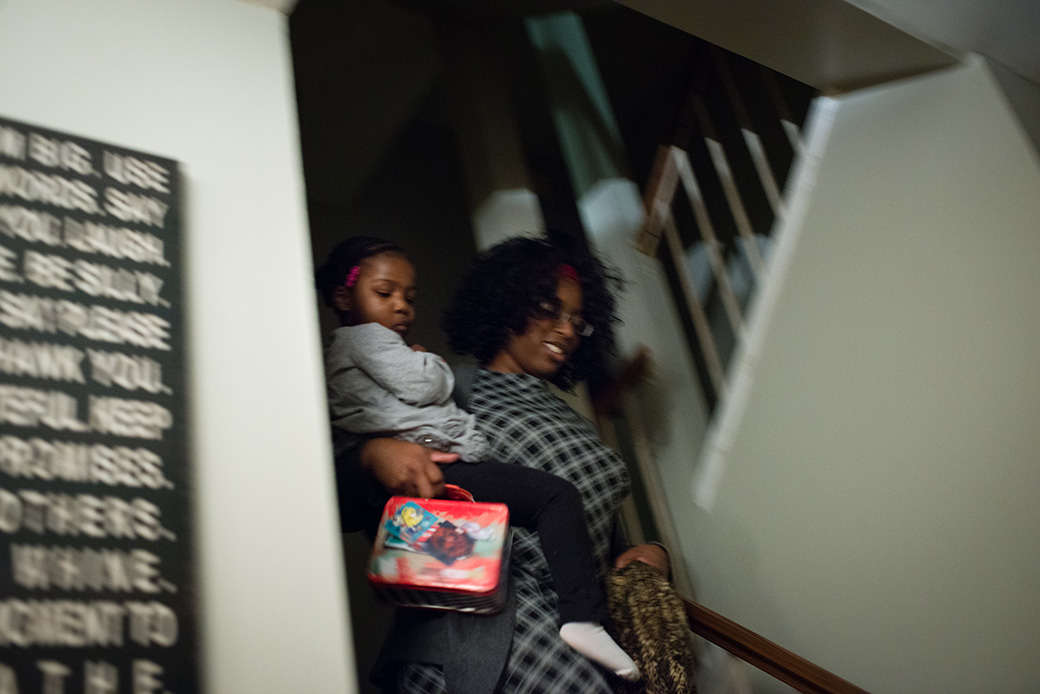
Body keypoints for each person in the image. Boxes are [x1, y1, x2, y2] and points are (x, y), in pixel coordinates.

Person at [326, 235, 669, 694]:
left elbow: (588, 528)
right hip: (488, 640)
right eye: (550, 309)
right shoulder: (448, 388)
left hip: (583, 634)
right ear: (508, 306)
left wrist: (646, 554)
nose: (567, 330)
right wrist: (372, 456)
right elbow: (338, 500)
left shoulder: (577, 422)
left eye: (577, 321)